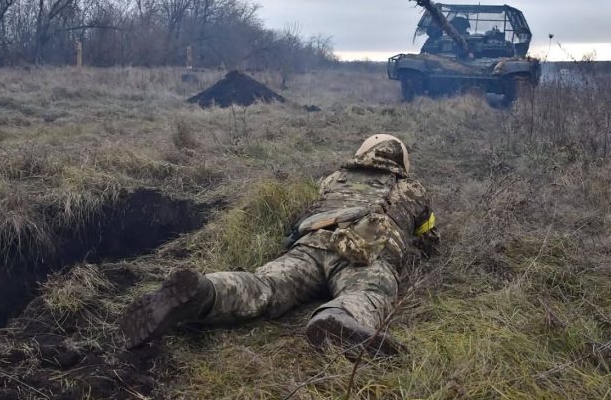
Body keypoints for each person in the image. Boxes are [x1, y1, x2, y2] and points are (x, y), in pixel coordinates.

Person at [118, 134, 438, 357]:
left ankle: (206, 292)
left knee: (267, 285)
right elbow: (427, 240)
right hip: (366, 252)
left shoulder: (333, 178)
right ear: (402, 163)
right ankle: (339, 318)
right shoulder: (412, 188)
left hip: (313, 240)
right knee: (369, 293)